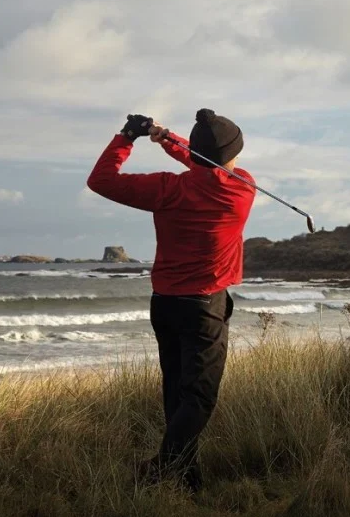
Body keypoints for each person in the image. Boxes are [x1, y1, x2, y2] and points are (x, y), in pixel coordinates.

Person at [86, 108, 255, 492]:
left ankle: (188, 481)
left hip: (164, 305)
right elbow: (207, 165)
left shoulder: (167, 188)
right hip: (204, 307)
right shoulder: (241, 186)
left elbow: (101, 180)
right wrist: (172, 141)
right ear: (232, 154)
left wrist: (128, 137)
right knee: (198, 398)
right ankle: (160, 469)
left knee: (179, 393)